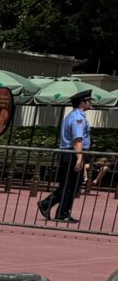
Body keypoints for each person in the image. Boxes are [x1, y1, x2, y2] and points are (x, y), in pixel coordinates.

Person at [41, 89, 93, 223]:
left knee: (69, 185)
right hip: (73, 153)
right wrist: (80, 157)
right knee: (72, 185)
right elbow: (77, 139)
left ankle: (49, 205)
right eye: (89, 100)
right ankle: (61, 212)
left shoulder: (73, 115)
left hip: (69, 153)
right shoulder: (78, 118)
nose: (91, 102)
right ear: (82, 102)